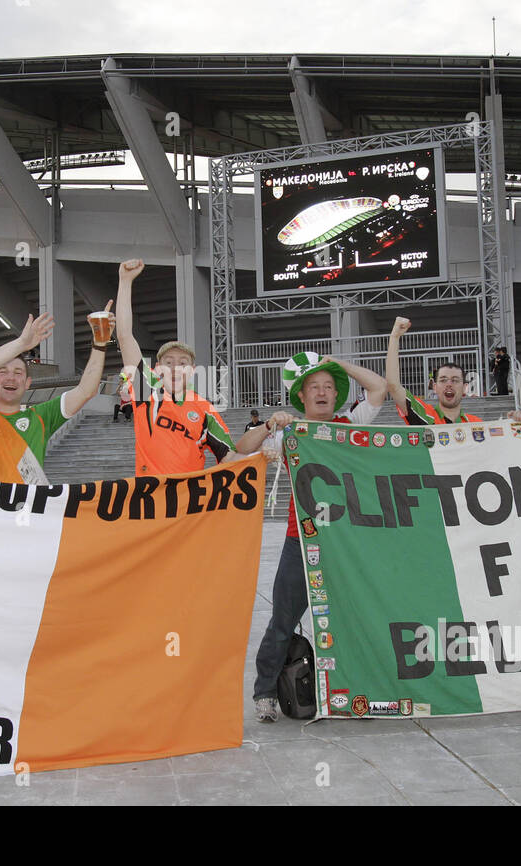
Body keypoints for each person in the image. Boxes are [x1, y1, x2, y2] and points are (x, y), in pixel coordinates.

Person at [253, 349, 391, 722]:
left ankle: (355, 690)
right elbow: (242, 448)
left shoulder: (351, 423)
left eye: (329, 386)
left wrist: (338, 364)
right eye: (314, 386)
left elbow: (379, 388)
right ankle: (264, 691)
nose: (322, 392)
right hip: (301, 541)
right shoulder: (291, 432)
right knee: (283, 619)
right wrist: (270, 426)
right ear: (301, 395)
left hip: (347, 542)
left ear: (337, 394)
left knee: (353, 618)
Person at [115, 259, 273, 473]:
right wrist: (125, 282)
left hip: (189, 503)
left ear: (191, 370)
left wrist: (263, 455)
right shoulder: (148, 391)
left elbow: (229, 457)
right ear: (159, 368)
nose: (175, 368)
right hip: (149, 501)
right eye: (169, 363)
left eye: (183, 363)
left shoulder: (204, 409)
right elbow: (125, 336)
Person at [0, 304, 111, 484]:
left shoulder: (41, 417)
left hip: (24, 510)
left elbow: (86, 391)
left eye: (18, 373)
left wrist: (100, 342)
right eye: (3, 371)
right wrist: (18, 345)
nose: (10, 378)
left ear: (28, 383)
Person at [385, 317, 481, 424]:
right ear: (435, 387)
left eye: (455, 380)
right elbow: (393, 386)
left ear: (465, 388)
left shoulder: (476, 424)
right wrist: (394, 337)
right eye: (443, 380)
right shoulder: (423, 414)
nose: (449, 384)